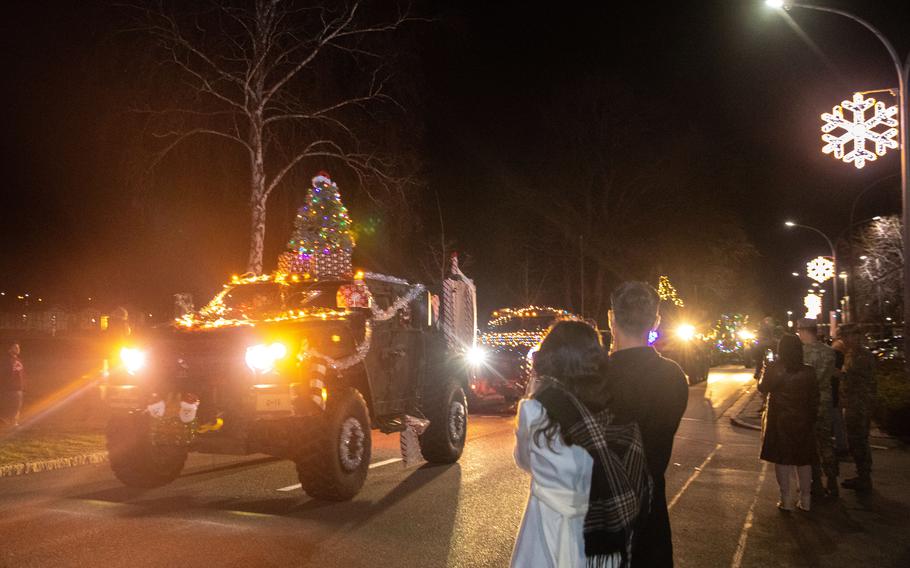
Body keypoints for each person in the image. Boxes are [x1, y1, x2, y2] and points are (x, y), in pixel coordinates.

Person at [512, 320, 651, 568]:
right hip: (600, 537)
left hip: (545, 529)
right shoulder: (615, 410)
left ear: (551, 358)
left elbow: (523, 460)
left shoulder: (535, 409)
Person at [606, 282, 688, 567]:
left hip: (597, 519)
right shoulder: (673, 376)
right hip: (650, 514)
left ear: (611, 318)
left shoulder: (590, 377)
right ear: (655, 321)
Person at [758, 334, 819, 511]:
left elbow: (763, 388)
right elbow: (815, 397)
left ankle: (785, 499)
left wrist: (764, 369)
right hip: (804, 419)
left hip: (780, 419)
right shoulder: (809, 371)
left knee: (782, 459)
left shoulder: (774, 368)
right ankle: (806, 499)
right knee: (804, 459)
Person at [796, 318, 839, 498]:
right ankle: (832, 480)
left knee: (809, 444)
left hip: (807, 402)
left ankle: (815, 483)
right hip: (825, 400)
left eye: (799, 330)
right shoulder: (830, 352)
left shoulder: (801, 353)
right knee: (826, 442)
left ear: (805, 330)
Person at [838, 324, 876, 492]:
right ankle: (862, 475)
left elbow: (855, 379)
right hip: (853, 402)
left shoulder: (863, 356)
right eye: (843, 337)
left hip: (859, 404)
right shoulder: (851, 354)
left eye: (848, 336)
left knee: (859, 440)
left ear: (857, 336)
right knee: (855, 441)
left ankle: (864, 478)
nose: (845, 340)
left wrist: (838, 374)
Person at [1, 341, 25, 427]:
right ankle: (9, 421)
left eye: (18, 347)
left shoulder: (18, 360)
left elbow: (21, 373)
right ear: (9, 349)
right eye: (15, 347)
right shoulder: (6, 360)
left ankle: (14, 421)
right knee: (10, 405)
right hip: (9, 388)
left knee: (17, 405)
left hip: (18, 387)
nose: (18, 349)